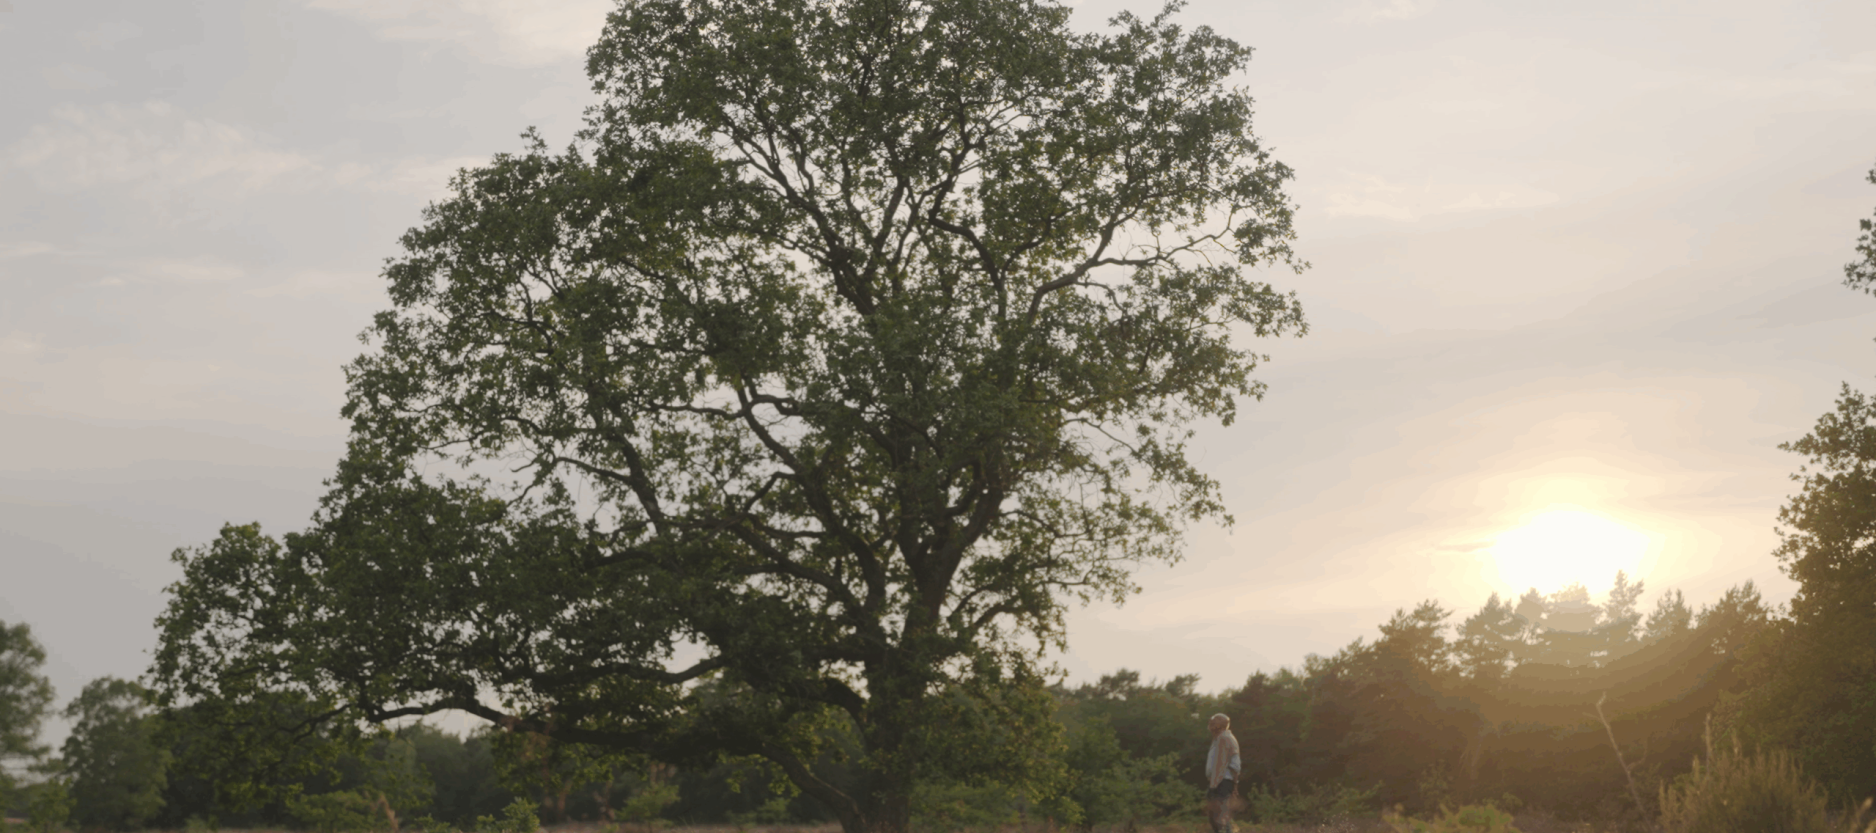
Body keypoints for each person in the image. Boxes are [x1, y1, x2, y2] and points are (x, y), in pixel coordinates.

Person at [1204, 712, 1241, 833]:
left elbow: (1233, 766)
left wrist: (1233, 785)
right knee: (1216, 816)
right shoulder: (1218, 739)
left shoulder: (1224, 738)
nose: (1210, 725)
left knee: (1220, 817)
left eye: (1214, 722)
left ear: (1221, 725)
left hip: (1222, 782)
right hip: (1218, 782)